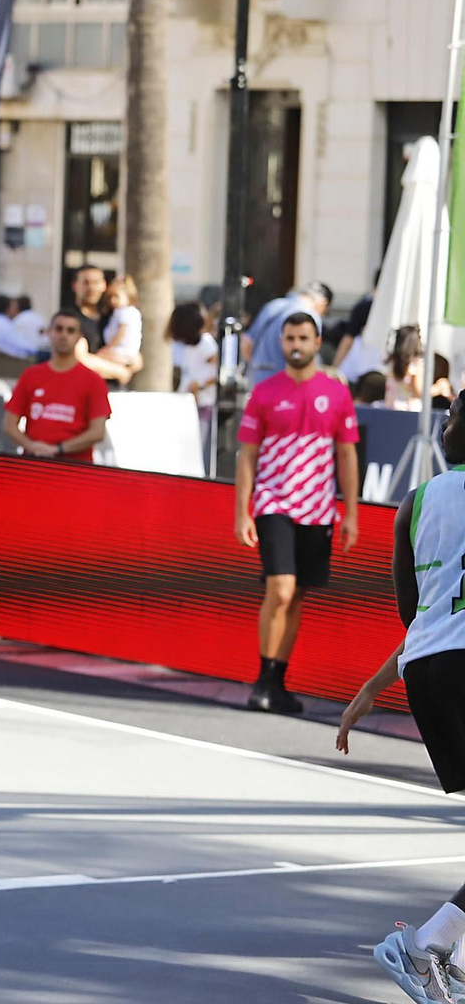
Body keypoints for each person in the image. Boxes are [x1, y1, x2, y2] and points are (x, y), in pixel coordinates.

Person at [338, 394, 465, 1003]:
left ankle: (451, 951)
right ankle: (423, 945)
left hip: (429, 672)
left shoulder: (415, 504)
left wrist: (373, 685)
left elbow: (420, 622)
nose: (444, 421)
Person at [234, 311, 359, 713]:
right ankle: (263, 680)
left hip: (319, 509)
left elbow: (346, 453)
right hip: (274, 502)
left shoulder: (337, 393)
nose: (295, 345)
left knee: (298, 594)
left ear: (317, 341)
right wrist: (243, 511)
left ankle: (277, 681)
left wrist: (350, 513)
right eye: (290, 338)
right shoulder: (264, 392)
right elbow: (247, 455)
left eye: (303, 337)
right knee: (280, 590)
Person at [0, 312, 112, 462]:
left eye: (71, 330)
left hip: (76, 469)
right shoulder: (31, 375)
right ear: (49, 332)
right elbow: (9, 425)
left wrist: (58, 449)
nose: (64, 335)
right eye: (59, 329)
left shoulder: (94, 380)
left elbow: (98, 432)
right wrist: (32, 446)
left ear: (80, 336)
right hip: (34, 465)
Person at [244, 281, 331, 382]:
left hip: (258, 379)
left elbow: (246, 343)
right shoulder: (311, 317)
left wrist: (259, 365)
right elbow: (309, 357)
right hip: (290, 386)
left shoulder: (273, 305)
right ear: (323, 302)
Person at [167, 300, 218, 466]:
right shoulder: (186, 346)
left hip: (202, 403)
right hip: (186, 400)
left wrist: (200, 386)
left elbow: (217, 371)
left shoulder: (206, 344)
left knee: (198, 448)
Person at [100, 275, 144, 379]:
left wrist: (109, 347)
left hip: (121, 350)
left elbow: (121, 332)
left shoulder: (125, 312)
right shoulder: (117, 312)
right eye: (110, 297)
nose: (113, 301)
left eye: (116, 297)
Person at [0, 294, 39, 360]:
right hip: (13, 359)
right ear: (6, 308)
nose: (15, 310)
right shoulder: (2, 322)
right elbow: (20, 343)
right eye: (13, 307)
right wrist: (36, 351)